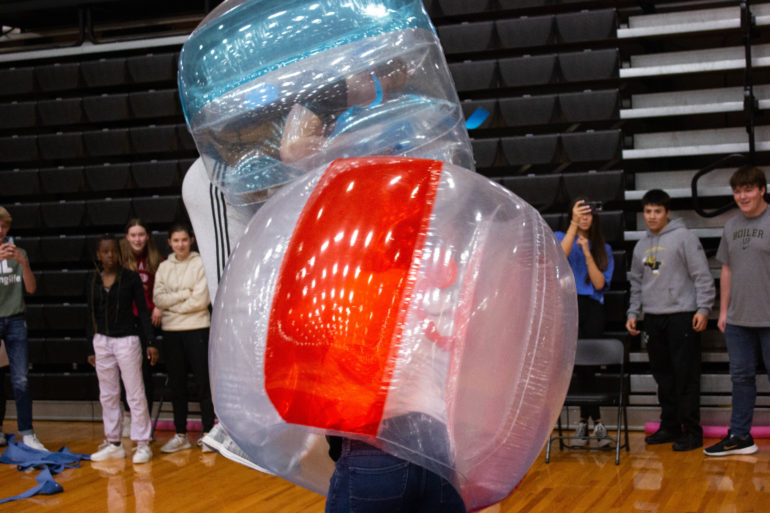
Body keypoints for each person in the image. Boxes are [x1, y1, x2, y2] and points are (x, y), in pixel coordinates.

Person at [626, 189, 715, 451]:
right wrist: (633, 312)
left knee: (685, 376)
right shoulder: (640, 246)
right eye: (648, 211)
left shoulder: (684, 238)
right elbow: (636, 283)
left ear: (667, 213)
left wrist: (703, 308)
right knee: (663, 376)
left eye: (657, 211)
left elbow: (702, 275)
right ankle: (670, 426)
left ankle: (692, 431)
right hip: (653, 318)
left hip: (682, 315)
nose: (652, 216)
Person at [705, 165, 770, 456]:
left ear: (762, 190)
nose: (742, 196)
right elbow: (727, 270)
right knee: (741, 378)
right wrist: (723, 311)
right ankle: (741, 436)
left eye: (748, 189)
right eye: (737, 191)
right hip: (738, 320)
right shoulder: (731, 226)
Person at [87, 235, 158, 464]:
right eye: (105, 252)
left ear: (120, 253)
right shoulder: (93, 280)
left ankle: (143, 443)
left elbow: (144, 313)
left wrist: (151, 342)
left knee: (135, 393)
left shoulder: (130, 278)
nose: (109, 255)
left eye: (113, 251)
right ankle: (114, 442)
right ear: (98, 255)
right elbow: (89, 314)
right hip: (102, 341)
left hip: (127, 340)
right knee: (108, 394)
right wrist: (90, 345)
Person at [555, 198, 615, 447]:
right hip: (568, 303)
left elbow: (599, 284)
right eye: (580, 212)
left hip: (591, 307)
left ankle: (584, 424)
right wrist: (572, 225)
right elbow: (559, 258)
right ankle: (595, 424)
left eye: (589, 213)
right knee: (575, 366)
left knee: (589, 364)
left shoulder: (603, 247)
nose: (584, 217)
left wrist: (588, 252)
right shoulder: (562, 235)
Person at [153, 222, 215, 453]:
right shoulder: (163, 267)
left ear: (191, 240)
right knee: (177, 385)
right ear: (169, 242)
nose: (180, 244)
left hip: (198, 329)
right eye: (176, 240)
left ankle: (208, 432)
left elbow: (201, 301)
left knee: (203, 382)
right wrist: (184, 295)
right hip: (171, 333)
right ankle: (180, 434)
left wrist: (173, 305)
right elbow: (158, 299)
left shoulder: (200, 263)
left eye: (184, 240)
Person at [0, 206, 48, 451]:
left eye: (4, 226)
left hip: (16, 319)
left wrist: (22, 263)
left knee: (21, 379)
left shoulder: (20, 253)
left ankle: (27, 433)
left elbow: (30, 289)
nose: (0, 230)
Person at [119, 218, 164, 435]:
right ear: (127, 238)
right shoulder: (119, 261)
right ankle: (129, 417)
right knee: (126, 373)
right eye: (133, 235)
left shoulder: (156, 260)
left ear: (147, 237)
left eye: (141, 235)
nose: (138, 239)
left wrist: (160, 306)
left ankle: (144, 421)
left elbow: (165, 288)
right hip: (126, 324)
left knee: (146, 374)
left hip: (148, 323)